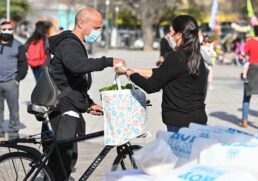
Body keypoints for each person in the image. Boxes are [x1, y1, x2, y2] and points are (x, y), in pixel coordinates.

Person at [44, 7, 125, 180]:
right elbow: (77, 66)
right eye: (96, 27)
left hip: (68, 106)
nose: (99, 32)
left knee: (66, 161)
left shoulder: (73, 43)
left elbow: (72, 82)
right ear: (81, 23)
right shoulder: (69, 43)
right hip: (63, 110)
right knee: (62, 163)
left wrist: (88, 104)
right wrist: (108, 61)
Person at [116, 15, 207, 133]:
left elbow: (152, 86)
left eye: (170, 32)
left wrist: (128, 73)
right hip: (198, 119)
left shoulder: (176, 57)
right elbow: (162, 73)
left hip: (180, 124)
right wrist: (134, 70)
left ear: (179, 34)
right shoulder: (196, 56)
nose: (168, 36)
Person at [0, 21, 28, 138]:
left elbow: (23, 65)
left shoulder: (18, 45)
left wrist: (18, 79)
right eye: (4, 29)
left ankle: (13, 132)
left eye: (10, 29)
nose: (7, 31)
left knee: (14, 110)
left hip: (11, 82)